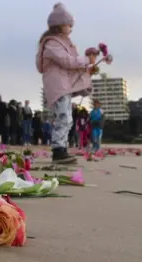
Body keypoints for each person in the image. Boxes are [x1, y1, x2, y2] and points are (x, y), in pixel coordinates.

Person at [36, 3, 98, 163]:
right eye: (69, 26)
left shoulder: (60, 43)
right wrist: (85, 60)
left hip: (62, 85)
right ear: (59, 26)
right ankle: (58, 149)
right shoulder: (52, 44)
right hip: (58, 86)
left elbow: (70, 65)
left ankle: (61, 147)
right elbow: (67, 61)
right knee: (63, 116)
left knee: (67, 117)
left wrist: (88, 67)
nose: (71, 29)